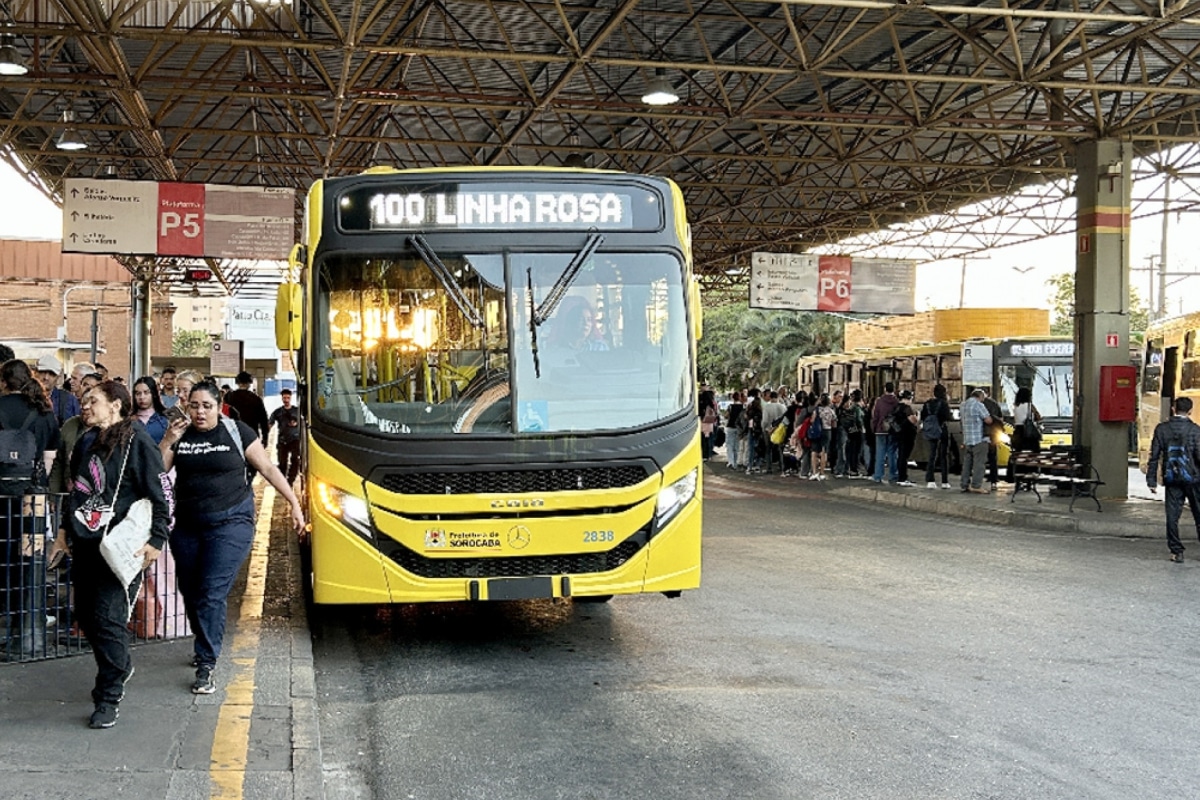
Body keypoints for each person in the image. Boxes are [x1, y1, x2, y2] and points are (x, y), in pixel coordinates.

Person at [159, 380, 304, 695]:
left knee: (212, 591)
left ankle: (206, 663)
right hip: (187, 524)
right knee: (193, 590)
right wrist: (169, 439)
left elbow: (267, 467)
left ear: (218, 405)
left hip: (231, 522)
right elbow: (158, 473)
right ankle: (204, 641)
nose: (199, 412)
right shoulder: (180, 434)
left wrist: (294, 503)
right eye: (194, 405)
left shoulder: (237, 432)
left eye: (206, 406)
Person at [45, 381, 170, 728]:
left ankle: (108, 694)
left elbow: (159, 495)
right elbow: (77, 493)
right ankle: (118, 668)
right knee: (86, 615)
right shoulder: (87, 441)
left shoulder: (138, 441)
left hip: (118, 547)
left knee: (109, 620)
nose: (85, 407)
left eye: (93, 401)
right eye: (84, 401)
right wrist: (62, 535)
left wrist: (156, 542)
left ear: (116, 405)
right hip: (86, 545)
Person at [0, 360, 61, 662]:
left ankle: (5, 622)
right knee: (29, 561)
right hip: (31, 501)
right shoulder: (43, 411)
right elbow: (49, 456)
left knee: (2, 559)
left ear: (3, 381)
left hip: (0, 495)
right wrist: (40, 485)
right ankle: (27, 628)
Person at [1146, 396, 1200, 563]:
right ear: (1190, 411)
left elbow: (1154, 456)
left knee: (1172, 515)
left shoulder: (1162, 429)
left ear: (1173, 409)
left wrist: (1152, 480)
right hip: (1193, 478)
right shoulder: (1195, 430)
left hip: (1172, 478)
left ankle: (1177, 551)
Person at [959, 388, 993, 493]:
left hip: (967, 439)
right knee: (979, 464)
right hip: (979, 439)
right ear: (980, 396)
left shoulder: (963, 405)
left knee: (967, 464)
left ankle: (964, 484)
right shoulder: (978, 405)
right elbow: (988, 420)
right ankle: (976, 485)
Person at [267, 388, 302, 485]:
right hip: (283, 440)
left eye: (288, 397)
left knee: (295, 460)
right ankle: (282, 481)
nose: (286, 400)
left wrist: (296, 423)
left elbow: (303, 422)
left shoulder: (296, 411)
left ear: (290, 398)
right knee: (282, 462)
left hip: (295, 439)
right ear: (282, 398)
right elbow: (270, 423)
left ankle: (291, 479)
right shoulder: (278, 412)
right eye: (284, 398)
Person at [922, 384, 953, 489]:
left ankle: (930, 480)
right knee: (943, 455)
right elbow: (948, 417)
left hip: (931, 431)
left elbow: (923, 416)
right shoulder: (944, 404)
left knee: (932, 455)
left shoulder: (927, 404)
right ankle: (944, 481)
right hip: (942, 429)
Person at [223, 371, 269, 442]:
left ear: (237, 383)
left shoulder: (229, 397)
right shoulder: (256, 399)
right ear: (249, 384)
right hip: (251, 434)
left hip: (232, 434)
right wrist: (265, 437)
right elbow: (263, 419)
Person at [35, 355, 81, 426]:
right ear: (35, 373)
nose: (46, 377)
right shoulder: (25, 398)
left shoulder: (69, 400)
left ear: (58, 377)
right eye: (43, 372)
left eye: (51, 374)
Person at [870, 383, 900, 484]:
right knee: (892, 454)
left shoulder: (879, 401)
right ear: (894, 390)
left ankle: (878, 475)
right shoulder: (896, 401)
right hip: (892, 431)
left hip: (880, 430)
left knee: (880, 454)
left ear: (885, 389)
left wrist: (874, 428)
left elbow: (875, 416)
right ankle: (893, 475)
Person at [132, 376, 170, 444]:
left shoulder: (165, 419)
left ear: (154, 394)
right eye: (138, 393)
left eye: (146, 392)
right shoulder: (129, 420)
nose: (142, 397)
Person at [724, 391, 744, 470]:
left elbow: (726, 415)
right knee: (737, 446)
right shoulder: (743, 407)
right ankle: (736, 462)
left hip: (730, 426)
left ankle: (731, 462)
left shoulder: (730, 406)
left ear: (733, 398)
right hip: (739, 428)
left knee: (730, 445)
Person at [698, 386, 718, 461]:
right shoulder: (711, 404)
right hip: (710, 422)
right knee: (709, 439)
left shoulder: (701, 403)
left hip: (702, 422)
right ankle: (709, 454)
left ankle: (704, 454)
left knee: (703, 439)